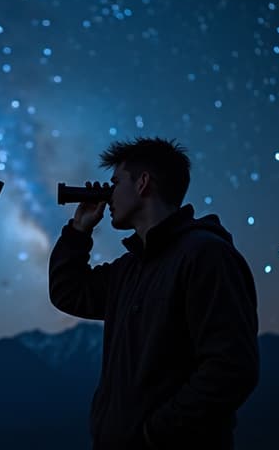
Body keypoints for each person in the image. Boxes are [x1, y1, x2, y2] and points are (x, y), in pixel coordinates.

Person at [49, 137, 259, 450]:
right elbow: (69, 292)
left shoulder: (206, 256)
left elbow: (230, 367)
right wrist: (79, 230)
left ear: (143, 183)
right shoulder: (130, 269)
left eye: (116, 182)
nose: (108, 194)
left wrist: (153, 434)